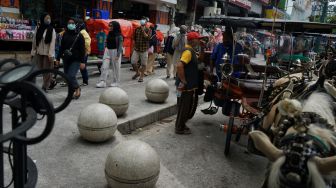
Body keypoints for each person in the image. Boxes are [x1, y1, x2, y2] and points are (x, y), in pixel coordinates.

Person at [175, 32, 203, 135]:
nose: (199, 41)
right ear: (192, 40)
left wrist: (203, 48)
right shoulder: (188, 51)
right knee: (184, 107)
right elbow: (179, 66)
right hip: (186, 86)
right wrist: (183, 80)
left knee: (183, 106)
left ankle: (180, 124)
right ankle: (179, 128)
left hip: (187, 86)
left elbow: (200, 59)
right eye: (197, 39)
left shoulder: (191, 51)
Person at [56, 18, 85, 99]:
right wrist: (58, 58)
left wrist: (83, 62)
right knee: (67, 78)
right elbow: (61, 48)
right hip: (66, 59)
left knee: (71, 76)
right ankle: (71, 92)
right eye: (69, 23)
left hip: (76, 59)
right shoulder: (65, 34)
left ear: (75, 25)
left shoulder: (79, 35)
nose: (70, 24)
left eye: (72, 23)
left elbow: (82, 50)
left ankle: (77, 88)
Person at [31, 13, 57, 92]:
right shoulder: (38, 28)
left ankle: (45, 87)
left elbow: (52, 43)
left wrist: (50, 54)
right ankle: (52, 81)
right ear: (43, 19)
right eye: (46, 18)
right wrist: (33, 51)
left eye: (49, 18)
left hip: (47, 54)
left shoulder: (52, 30)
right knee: (41, 70)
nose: (48, 20)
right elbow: (35, 40)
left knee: (46, 70)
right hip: (39, 53)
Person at [96, 21, 123, 88]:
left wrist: (118, 55)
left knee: (116, 67)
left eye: (111, 26)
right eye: (109, 26)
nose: (110, 27)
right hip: (107, 51)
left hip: (115, 51)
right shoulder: (108, 34)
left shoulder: (119, 36)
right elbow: (106, 42)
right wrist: (105, 48)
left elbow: (120, 46)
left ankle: (116, 81)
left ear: (115, 27)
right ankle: (103, 81)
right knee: (104, 66)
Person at [78, 19, 91, 86]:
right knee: (82, 67)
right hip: (83, 52)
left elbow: (87, 42)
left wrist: (81, 47)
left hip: (84, 52)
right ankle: (85, 80)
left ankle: (85, 81)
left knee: (82, 67)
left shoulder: (83, 32)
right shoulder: (82, 31)